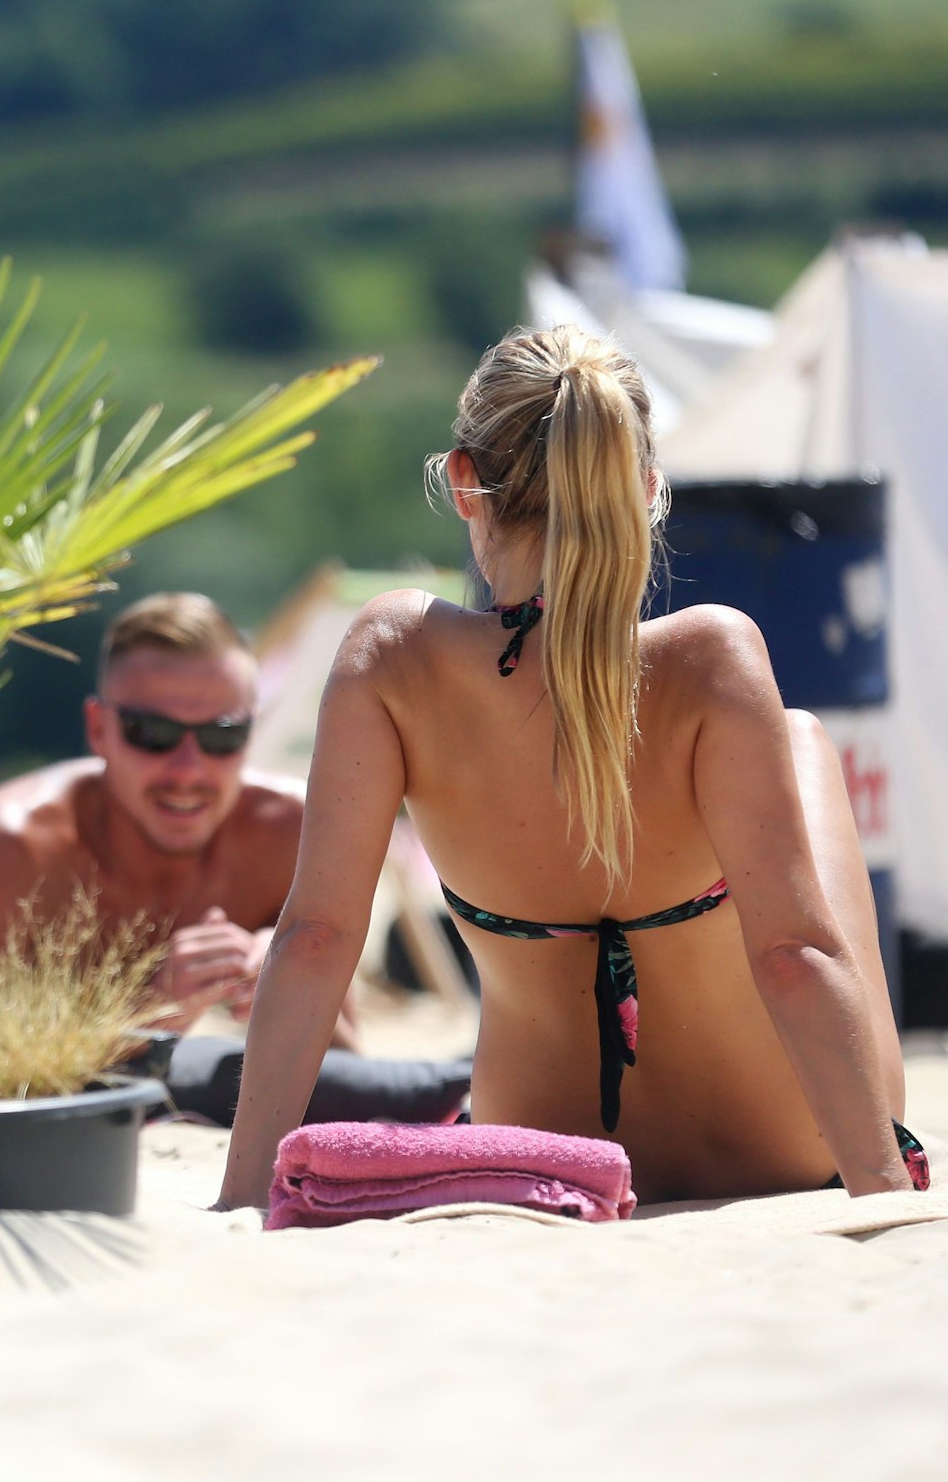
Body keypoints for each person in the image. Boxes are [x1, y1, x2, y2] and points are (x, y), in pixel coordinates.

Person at [220, 325, 922, 1210]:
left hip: (546, 1145)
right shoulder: (711, 656)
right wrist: (883, 1188)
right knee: (799, 736)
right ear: (649, 491)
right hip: (782, 1143)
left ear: (465, 481)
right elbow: (793, 955)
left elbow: (316, 939)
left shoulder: (394, 655)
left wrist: (241, 1197)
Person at [0, 592, 471, 1126]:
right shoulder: (12, 847)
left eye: (221, 736)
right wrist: (154, 1015)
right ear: (98, 730)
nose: (188, 769)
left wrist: (285, 987)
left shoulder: (290, 832)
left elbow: (347, 1065)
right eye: (152, 733)